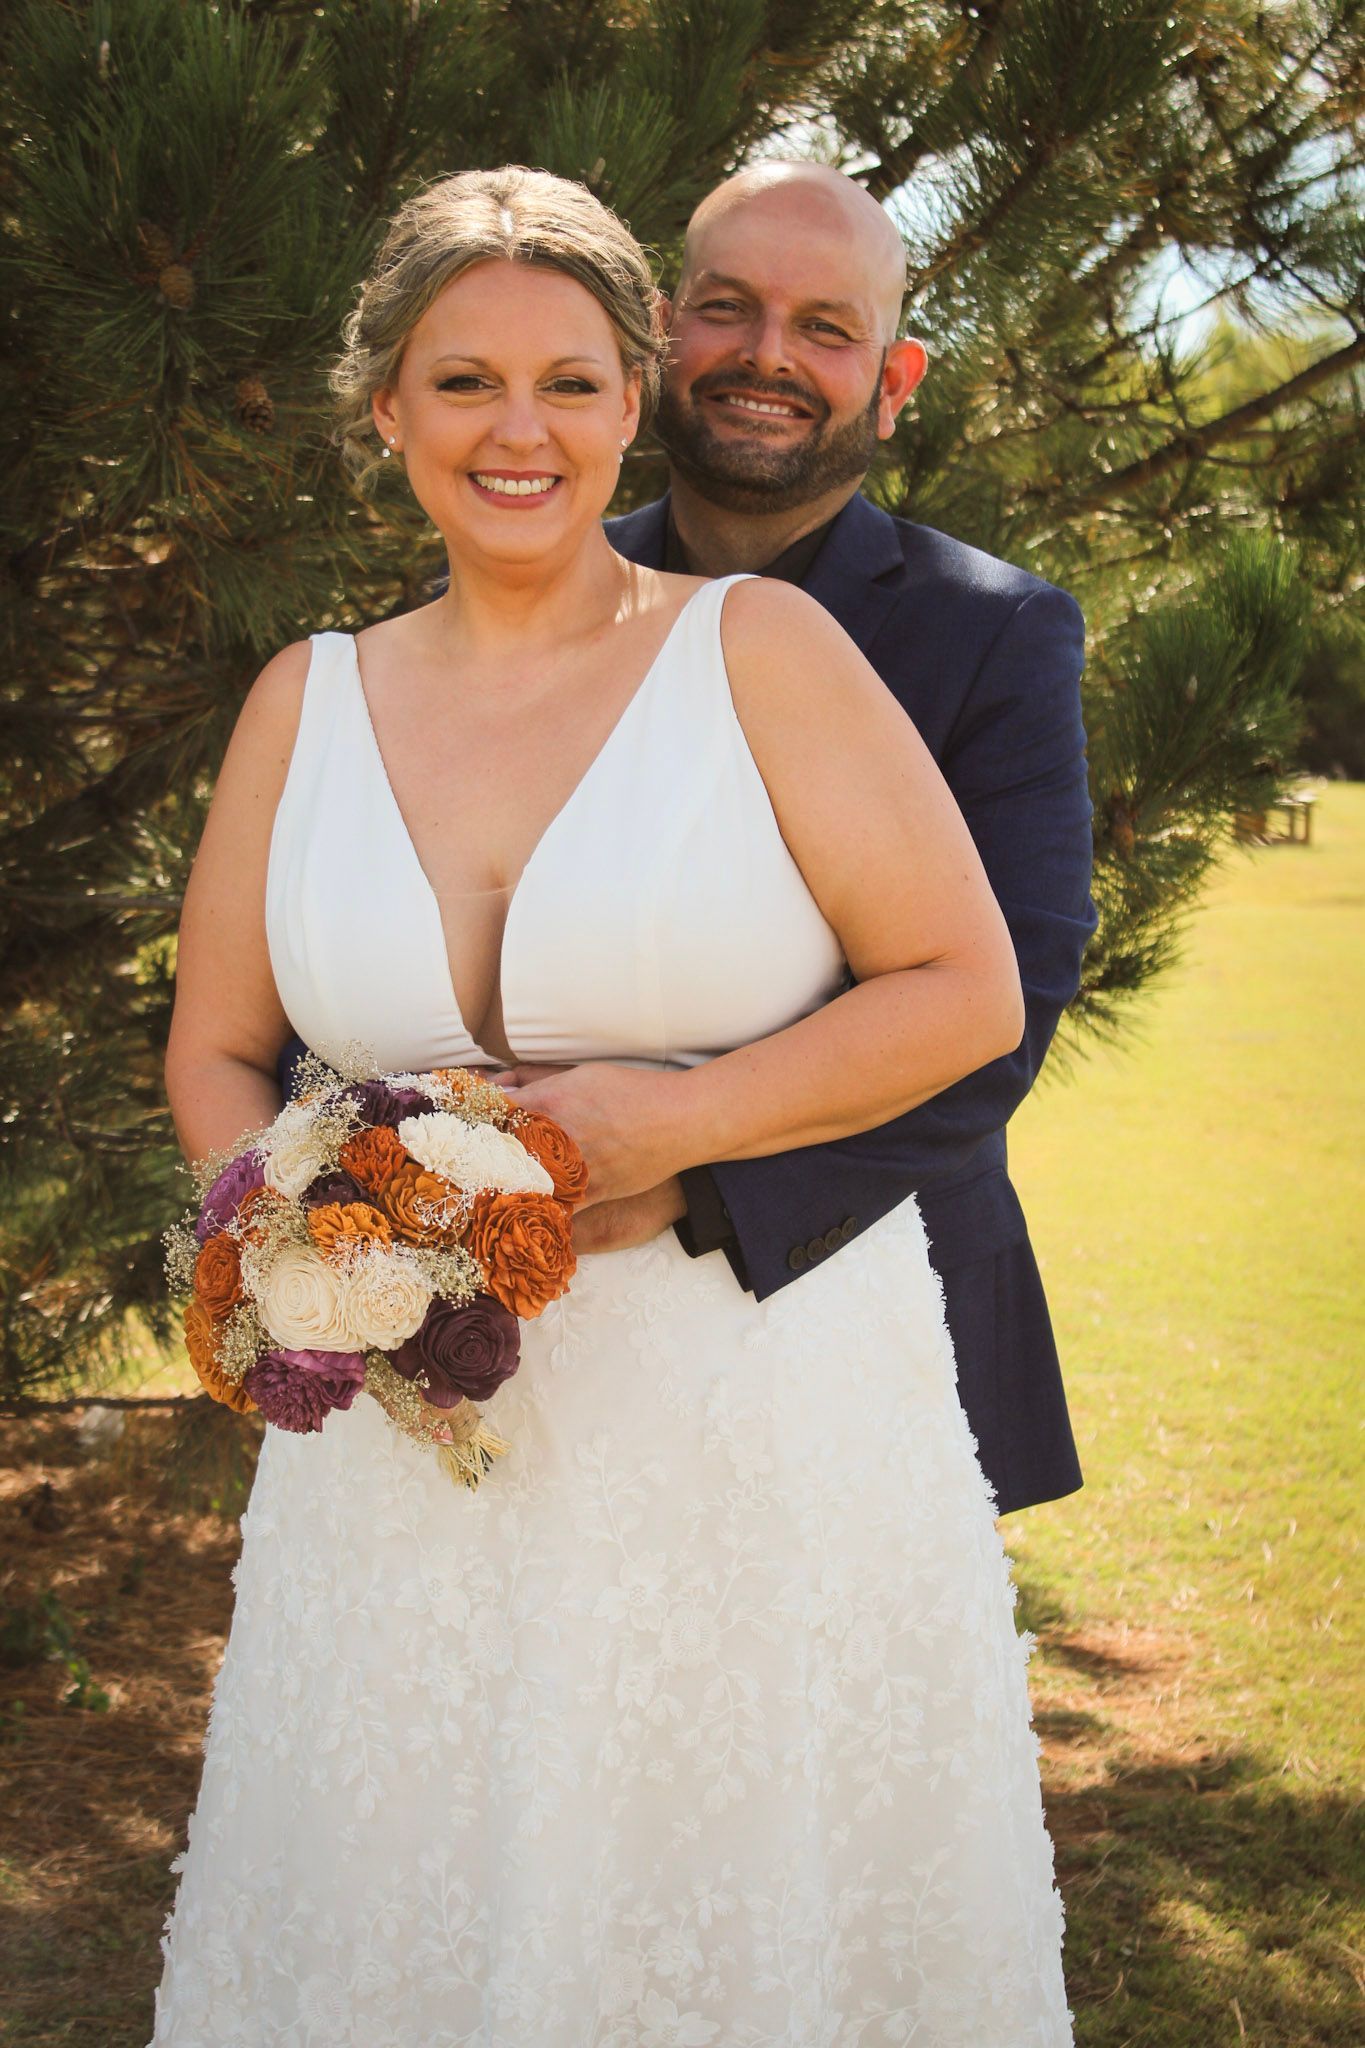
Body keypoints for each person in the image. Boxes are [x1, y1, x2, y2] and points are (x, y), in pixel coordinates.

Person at [153, 166, 1072, 2043]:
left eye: (568, 383)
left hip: (739, 1405)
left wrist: (670, 1135)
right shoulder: (301, 699)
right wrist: (304, 1237)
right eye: (463, 381)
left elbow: (970, 989)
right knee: (396, 1898)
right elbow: (218, 1044)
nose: (520, 429)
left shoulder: (761, 650)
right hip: (402, 1438)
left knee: (730, 1907)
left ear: (629, 398)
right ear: (384, 406)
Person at [528, 161, 1096, 1519]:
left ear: (892, 384)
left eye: (824, 327)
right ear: (658, 335)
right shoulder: (519, 591)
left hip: (862, 1315)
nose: (766, 355)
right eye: (726, 307)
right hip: (539, 1327)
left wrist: (689, 1181)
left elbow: (1000, 1016)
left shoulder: (994, 634)